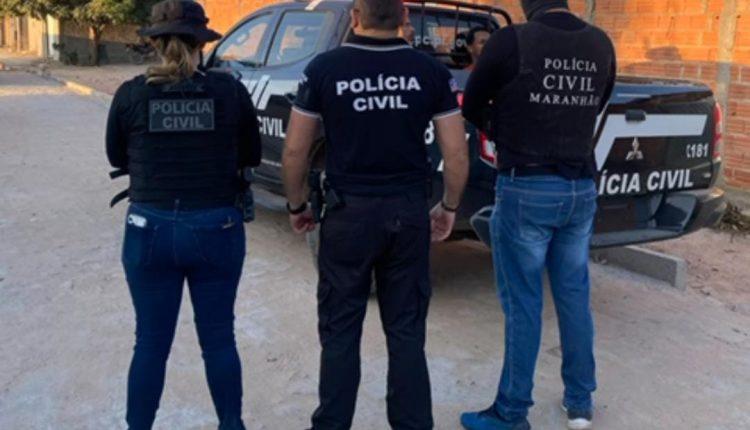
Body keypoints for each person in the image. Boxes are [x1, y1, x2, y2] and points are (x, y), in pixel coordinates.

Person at [282, 0, 470, 428]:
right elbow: (456, 153)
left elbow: (294, 152)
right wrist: (449, 206)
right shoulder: (429, 71)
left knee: (340, 328)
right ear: (404, 18)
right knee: (406, 331)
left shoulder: (324, 68)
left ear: (355, 17)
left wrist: (297, 204)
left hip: (347, 214)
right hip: (407, 212)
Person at [105, 1, 262, 429]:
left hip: (149, 229)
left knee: (150, 344)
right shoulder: (229, 91)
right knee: (219, 340)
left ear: (155, 43)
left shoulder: (131, 94)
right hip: (216, 226)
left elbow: (116, 156)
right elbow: (251, 154)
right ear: (201, 43)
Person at [460, 0, 616, 429]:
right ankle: (580, 402)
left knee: (523, 303)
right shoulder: (600, 43)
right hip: (580, 188)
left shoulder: (512, 41)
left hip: (527, 186)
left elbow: (472, 104)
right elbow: (598, 101)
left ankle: (511, 412)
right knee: (574, 295)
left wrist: (508, 131)